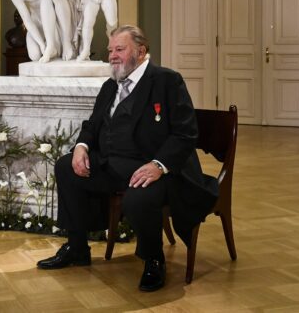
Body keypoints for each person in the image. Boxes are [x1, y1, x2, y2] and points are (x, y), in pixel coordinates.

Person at [36, 25, 218, 291]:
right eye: (110, 50)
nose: (112, 56)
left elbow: (185, 134)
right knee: (66, 167)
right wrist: (82, 146)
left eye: (119, 49)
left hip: (157, 170)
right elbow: (93, 124)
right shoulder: (111, 86)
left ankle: (154, 260)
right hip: (113, 165)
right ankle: (76, 248)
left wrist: (158, 165)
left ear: (141, 52)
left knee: (139, 195)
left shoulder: (167, 81)